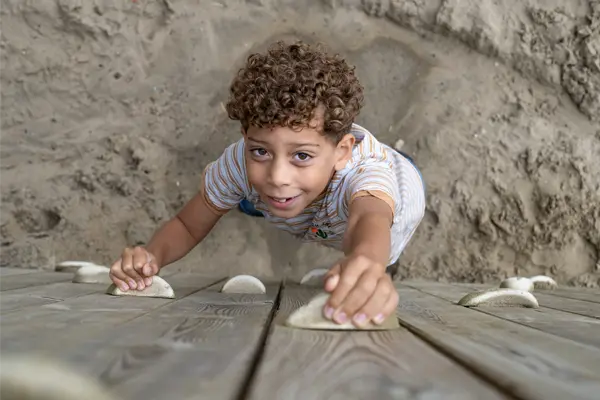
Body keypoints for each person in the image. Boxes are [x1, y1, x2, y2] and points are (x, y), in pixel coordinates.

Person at [108, 40, 426, 328]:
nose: (277, 175)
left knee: (375, 256)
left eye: (301, 155)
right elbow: (187, 224)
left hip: (395, 200)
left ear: (342, 152)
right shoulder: (239, 163)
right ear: (245, 137)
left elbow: (370, 218)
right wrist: (150, 256)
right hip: (308, 205)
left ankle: (396, 171)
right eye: (260, 150)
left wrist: (368, 263)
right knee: (253, 189)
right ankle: (257, 197)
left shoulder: (366, 174)